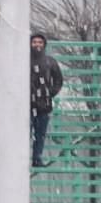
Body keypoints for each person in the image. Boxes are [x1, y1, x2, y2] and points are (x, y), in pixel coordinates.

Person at [30, 33, 63, 167]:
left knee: (40, 134)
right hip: (27, 105)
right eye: (34, 42)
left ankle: (37, 158)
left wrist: (50, 93)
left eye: (40, 42)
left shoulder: (50, 61)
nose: (37, 45)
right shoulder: (24, 60)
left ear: (44, 44)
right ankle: (25, 159)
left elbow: (58, 80)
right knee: (26, 133)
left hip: (44, 105)